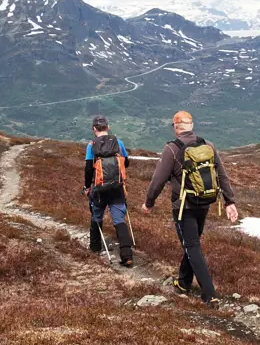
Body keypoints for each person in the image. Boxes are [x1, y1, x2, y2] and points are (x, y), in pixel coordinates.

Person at [142, 111, 238, 307]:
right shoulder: (208, 145)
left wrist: (148, 203)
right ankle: (184, 282)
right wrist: (230, 202)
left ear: (176, 126)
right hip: (204, 203)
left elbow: (158, 180)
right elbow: (222, 175)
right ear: (191, 125)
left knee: (192, 246)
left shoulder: (172, 148)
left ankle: (209, 294)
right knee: (191, 242)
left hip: (183, 206)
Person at [83, 115, 134, 267]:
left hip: (99, 189)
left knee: (96, 216)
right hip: (117, 187)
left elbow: (88, 169)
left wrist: (87, 187)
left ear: (94, 129)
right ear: (108, 127)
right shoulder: (118, 143)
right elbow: (127, 163)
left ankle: (95, 247)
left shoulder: (91, 145)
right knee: (119, 220)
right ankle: (127, 255)